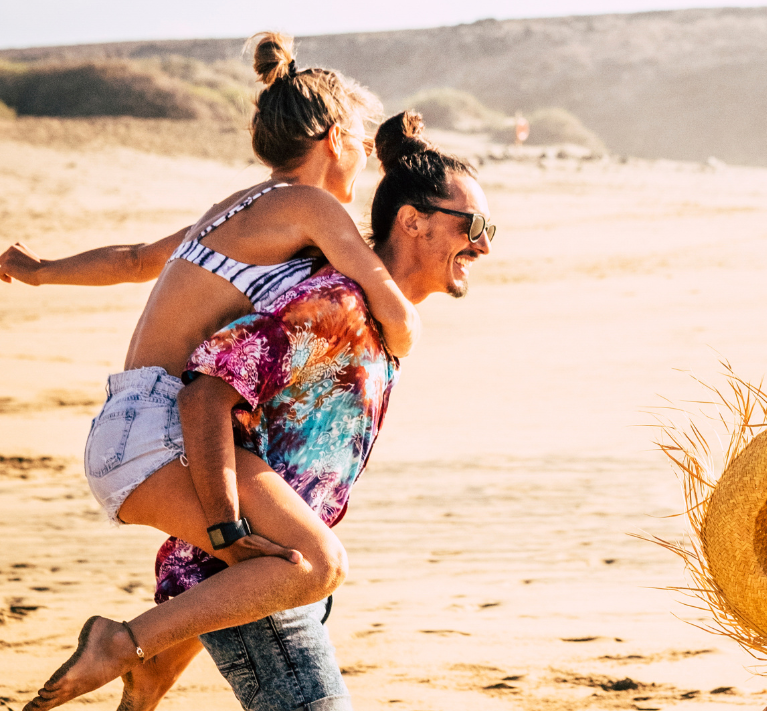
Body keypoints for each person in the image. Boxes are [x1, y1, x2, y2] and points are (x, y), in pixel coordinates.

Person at [23, 111, 492, 711]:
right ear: (412, 221)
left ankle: (149, 660)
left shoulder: (367, 315)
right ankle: (127, 644)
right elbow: (206, 392)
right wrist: (227, 533)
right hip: (256, 577)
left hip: (259, 578)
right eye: (473, 225)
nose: (481, 244)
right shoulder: (337, 306)